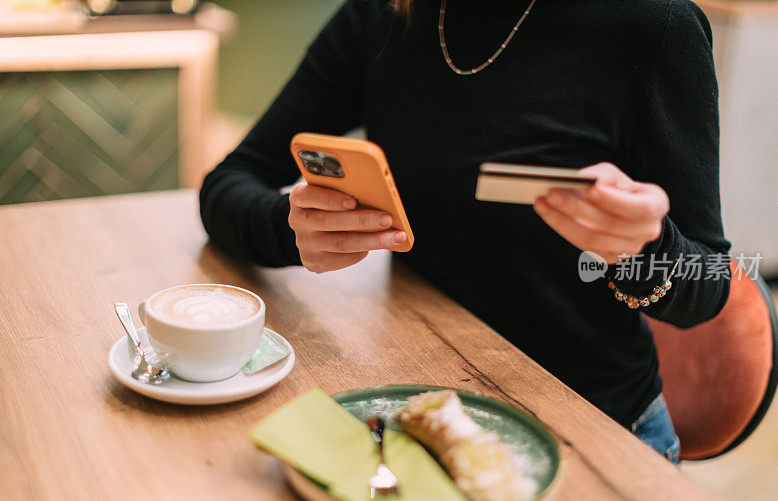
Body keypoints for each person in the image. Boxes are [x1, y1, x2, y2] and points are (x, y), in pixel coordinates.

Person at [200, 0, 730, 465]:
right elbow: (226, 186)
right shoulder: (385, 14)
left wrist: (641, 250)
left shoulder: (654, 24)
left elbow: (707, 282)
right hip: (425, 409)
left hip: (591, 427)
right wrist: (292, 229)